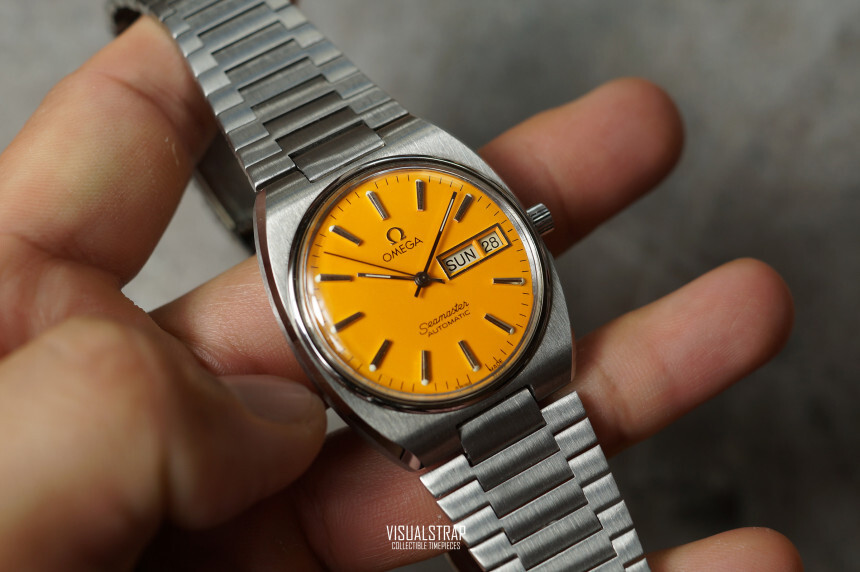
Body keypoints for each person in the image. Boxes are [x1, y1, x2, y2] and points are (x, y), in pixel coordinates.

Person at [0, 15, 802, 571]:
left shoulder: (426, 166)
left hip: (510, 357)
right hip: (433, 399)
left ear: (526, 224)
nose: (424, 277)